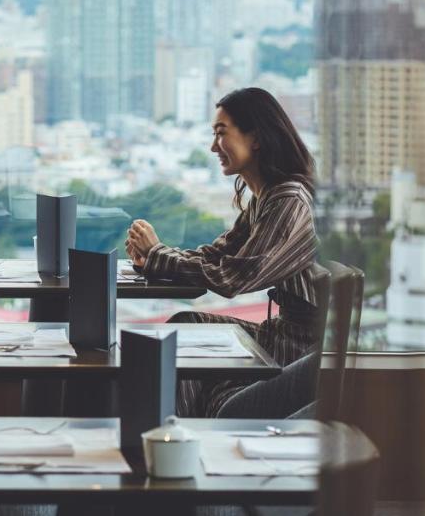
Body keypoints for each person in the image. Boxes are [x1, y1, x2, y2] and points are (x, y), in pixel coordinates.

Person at [124, 87, 321, 417]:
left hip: (295, 351)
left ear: (255, 138)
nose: (214, 146)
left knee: (180, 339)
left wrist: (158, 254)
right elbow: (217, 255)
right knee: (185, 325)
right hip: (279, 338)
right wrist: (155, 258)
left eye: (221, 134)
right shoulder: (267, 198)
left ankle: (175, 438)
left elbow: (235, 276)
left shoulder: (290, 203)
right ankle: (169, 437)